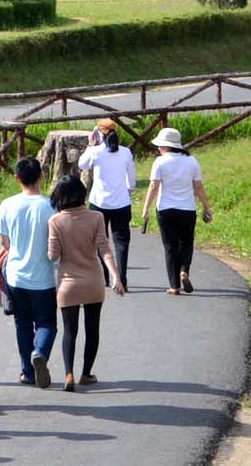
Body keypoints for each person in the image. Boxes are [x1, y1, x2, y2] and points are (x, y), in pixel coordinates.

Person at [47, 173, 124, 391]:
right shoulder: (96, 217)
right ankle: (86, 374)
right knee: (93, 330)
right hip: (93, 281)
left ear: (59, 197)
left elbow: (53, 256)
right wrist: (116, 275)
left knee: (70, 331)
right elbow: (104, 249)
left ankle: (68, 374)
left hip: (68, 284)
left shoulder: (55, 221)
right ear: (82, 193)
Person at [0, 156, 59, 388]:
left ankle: (27, 372)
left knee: (22, 323)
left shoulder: (7, 204)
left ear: (17, 178)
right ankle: (40, 352)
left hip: (15, 275)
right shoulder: (50, 206)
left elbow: (5, 243)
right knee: (46, 324)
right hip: (42, 276)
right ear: (41, 176)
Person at [140, 128, 214, 295]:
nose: (158, 148)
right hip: (187, 209)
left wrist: (145, 209)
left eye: (159, 145)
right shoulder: (191, 161)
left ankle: (174, 286)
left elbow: (154, 186)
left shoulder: (160, 162)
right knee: (186, 243)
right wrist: (207, 207)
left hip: (165, 209)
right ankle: (184, 270)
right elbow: (198, 186)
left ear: (165, 146)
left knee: (170, 246)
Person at [77, 119, 136, 290]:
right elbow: (131, 181)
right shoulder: (125, 152)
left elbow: (82, 164)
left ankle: (107, 277)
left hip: (99, 203)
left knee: (101, 241)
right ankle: (122, 278)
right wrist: (127, 189)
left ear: (99, 134)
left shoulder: (96, 152)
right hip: (122, 203)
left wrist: (90, 144)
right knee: (122, 242)